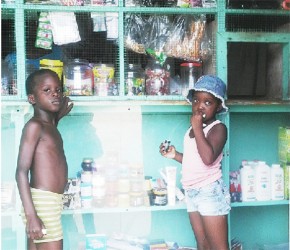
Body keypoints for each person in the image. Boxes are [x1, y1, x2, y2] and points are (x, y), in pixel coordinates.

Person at [160, 75, 231, 250]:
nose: (200, 106)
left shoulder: (218, 128)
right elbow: (194, 162)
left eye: (208, 102)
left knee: (219, 247)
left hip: (209, 191)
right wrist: (175, 155)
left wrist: (198, 128)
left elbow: (208, 159)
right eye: (196, 100)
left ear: (218, 106)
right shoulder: (192, 129)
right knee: (202, 243)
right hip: (191, 191)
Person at [15, 69, 73, 250]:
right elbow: (21, 172)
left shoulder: (49, 126)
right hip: (41, 205)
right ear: (32, 99)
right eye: (46, 90)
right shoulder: (34, 126)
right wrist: (32, 216)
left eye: (58, 89)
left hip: (49, 203)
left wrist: (58, 117)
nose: (55, 93)